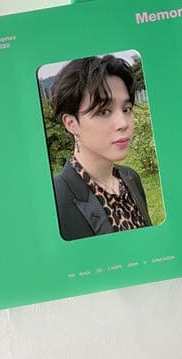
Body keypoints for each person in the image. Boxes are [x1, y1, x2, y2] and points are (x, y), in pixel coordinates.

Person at [50, 54, 152, 240]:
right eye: (104, 112)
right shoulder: (56, 200)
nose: (123, 123)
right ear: (71, 124)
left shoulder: (131, 178)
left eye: (127, 109)